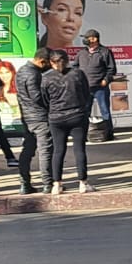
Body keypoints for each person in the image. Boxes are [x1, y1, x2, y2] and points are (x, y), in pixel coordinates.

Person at [42, 47, 94, 193]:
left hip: (56, 117)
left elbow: (44, 99)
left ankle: (56, 184)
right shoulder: (78, 74)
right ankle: (83, 183)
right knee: (79, 149)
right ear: (67, 60)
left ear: (51, 62)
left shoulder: (46, 78)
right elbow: (86, 94)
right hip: (77, 114)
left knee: (58, 150)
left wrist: (51, 110)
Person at [14, 48, 53, 195]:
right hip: (40, 118)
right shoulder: (34, 74)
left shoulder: (21, 71)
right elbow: (36, 97)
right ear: (42, 61)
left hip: (27, 117)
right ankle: (48, 184)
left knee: (28, 150)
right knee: (45, 151)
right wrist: (50, 103)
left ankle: (24, 183)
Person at [74, 29, 119, 139]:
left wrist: (106, 80)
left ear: (94, 39)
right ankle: (84, 135)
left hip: (100, 87)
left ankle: (108, 134)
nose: (85, 40)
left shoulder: (105, 52)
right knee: (85, 111)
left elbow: (111, 69)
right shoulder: (81, 53)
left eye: (87, 38)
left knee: (105, 111)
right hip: (85, 88)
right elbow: (75, 67)